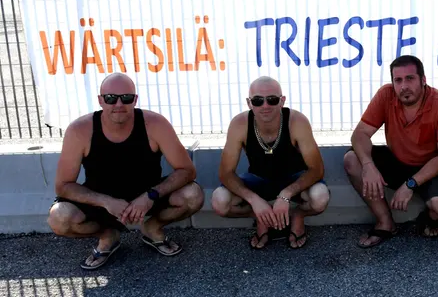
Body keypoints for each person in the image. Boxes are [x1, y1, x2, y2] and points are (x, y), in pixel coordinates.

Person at [47, 73, 204, 270]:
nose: (119, 104)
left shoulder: (155, 124)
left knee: (193, 195)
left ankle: (152, 228)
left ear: (135, 100)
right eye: (111, 98)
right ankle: (108, 236)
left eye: (126, 98)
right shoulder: (80, 130)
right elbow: (63, 186)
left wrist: (150, 196)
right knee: (59, 218)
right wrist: (105, 202)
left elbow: (187, 171)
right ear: (100, 101)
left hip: (148, 197)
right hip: (102, 202)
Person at [344, 55, 438, 248]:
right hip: (399, 162)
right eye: (398, 80)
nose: (403, 86)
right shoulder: (386, 94)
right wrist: (368, 166)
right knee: (352, 159)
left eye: (410, 79)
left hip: (433, 168)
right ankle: (385, 222)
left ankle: (436, 216)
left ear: (423, 80)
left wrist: (410, 185)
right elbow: (360, 135)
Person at [212, 76, 330, 250]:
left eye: (272, 100)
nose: (265, 106)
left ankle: (297, 216)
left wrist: (286, 194)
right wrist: (254, 200)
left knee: (320, 197)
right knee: (219, 201)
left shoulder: (296, 121)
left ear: (282, 101)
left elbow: (317, 169)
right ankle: (263, 217)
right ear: (249, 103)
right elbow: (225, 173)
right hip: (257, 180)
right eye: (258, 100)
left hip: (293, 179)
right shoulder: (240, 124)